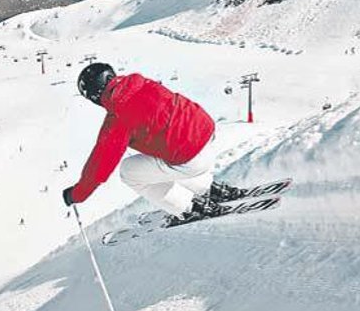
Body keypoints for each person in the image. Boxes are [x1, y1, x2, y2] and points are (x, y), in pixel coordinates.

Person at [62, 63, 241, 225]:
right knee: (165, 153)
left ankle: (189, 209)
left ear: (94, 96)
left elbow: (99, 166)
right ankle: (209, 189)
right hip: (207, 134)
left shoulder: (117, 117)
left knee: (129, 171)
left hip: (191, 160)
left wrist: (76, 194)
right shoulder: (142, 83)